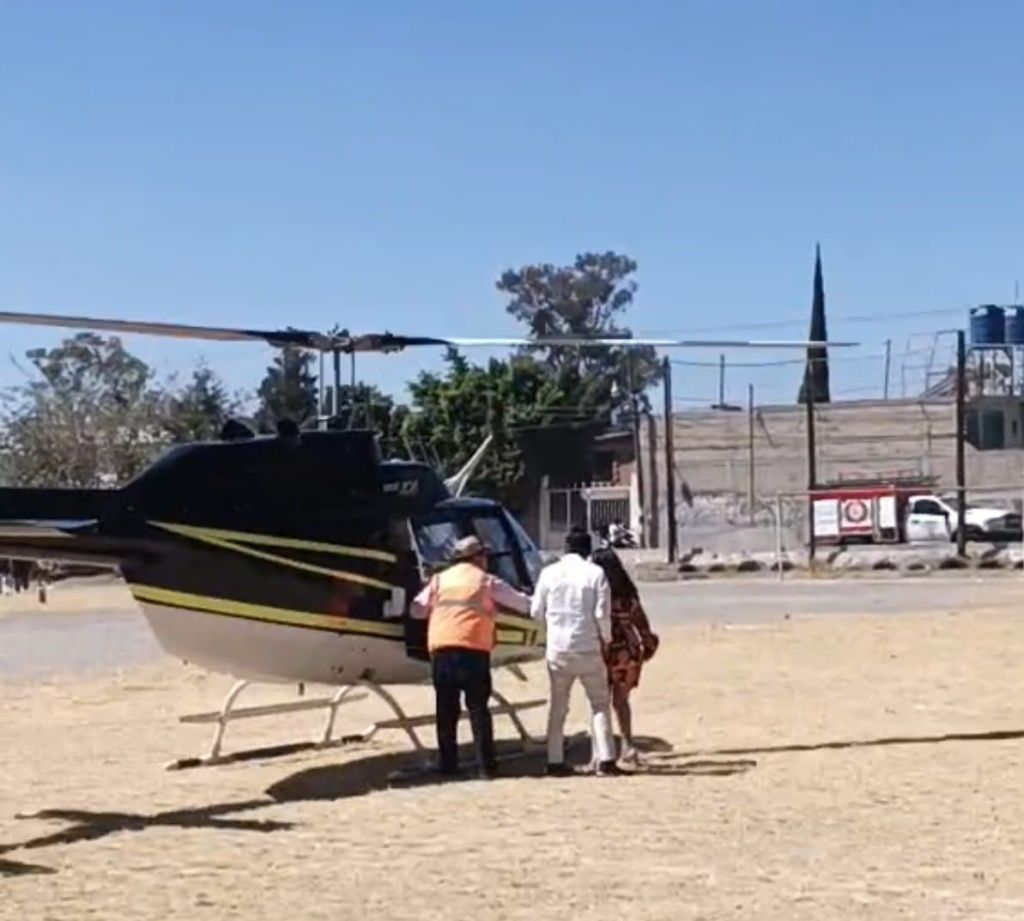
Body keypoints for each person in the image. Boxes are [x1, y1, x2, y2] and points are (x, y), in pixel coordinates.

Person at [411, 535, 531, 779]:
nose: (486, 560)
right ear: (476, 558)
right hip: (473, 650)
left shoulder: (439, 580)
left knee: (446, 710)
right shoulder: (485, 581)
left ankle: (448, 764)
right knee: (478, 710)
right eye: (484, 555)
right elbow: (522, 604)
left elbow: (416, 610)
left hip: (441, 649)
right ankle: (486, 768)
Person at [531, 527, 621, 776]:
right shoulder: (596, 573)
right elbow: (602, 614)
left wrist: (548, 631)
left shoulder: (549, 573)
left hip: (558, 648)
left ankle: (555, 760)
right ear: (587, 550)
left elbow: (536, 611)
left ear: (565, 548)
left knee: (558, 706)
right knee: (600, 704)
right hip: (588, 647)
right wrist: (607, 639)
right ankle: (606, 759)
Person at [590, 547, 659, 763]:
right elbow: (642, 624)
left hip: (603, 650)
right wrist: (648, 645)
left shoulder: (596, 594)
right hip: (628, 652)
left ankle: (600, 752)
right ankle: (627, 745)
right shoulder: (628, 596)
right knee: (621, 701)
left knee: (598, 703)